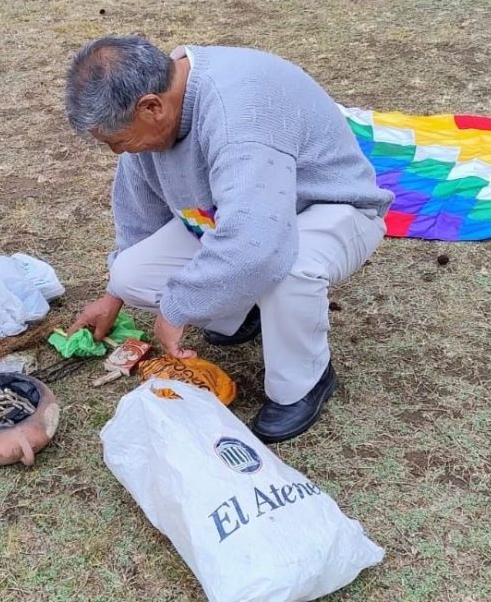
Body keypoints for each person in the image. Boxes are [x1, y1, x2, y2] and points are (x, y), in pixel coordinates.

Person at [64, 36, 394, 443]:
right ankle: (243, 311)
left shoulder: (238, 112)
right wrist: (113, 295)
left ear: (151, 107)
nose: (118, 152)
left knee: (289, 268)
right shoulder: (153, 110)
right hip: (239, 216)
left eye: (118, 141)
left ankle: (304, 382)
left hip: (329, 206)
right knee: (131, 273)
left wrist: (177, 309)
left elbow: (258, 244)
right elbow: (140, 217)